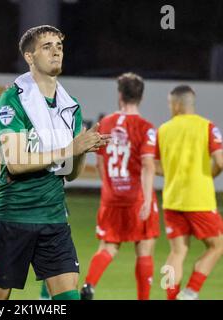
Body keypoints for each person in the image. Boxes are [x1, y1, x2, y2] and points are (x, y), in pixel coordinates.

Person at [0, 25, 110, 300]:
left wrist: (81, 149)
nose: (56, 51)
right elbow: (14, 163)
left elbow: (72, 174)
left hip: (53, 218)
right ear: (29, 56)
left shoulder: (69, 105)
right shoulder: (13, 99)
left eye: (59, 46)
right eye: (47, 46)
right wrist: (68, 148)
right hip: (14, 217)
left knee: (67, 296)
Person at [79, 73, 160, 300]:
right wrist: (145, 199)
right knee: (144, 249)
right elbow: (147, 165)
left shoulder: (106, 123)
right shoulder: (146, 128)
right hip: (137, 198)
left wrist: (108, 188)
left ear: (120, 95)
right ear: (141, 97)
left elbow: (101, 162)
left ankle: (89, 285)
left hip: (112, 197)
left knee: (108, 247)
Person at [155, 85, 223, 300]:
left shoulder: (163, 129)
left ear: (175, 104)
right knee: (217, 245)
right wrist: (209, 174)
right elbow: (220, 161)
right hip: (199, 200)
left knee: (177, 252)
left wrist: (173, 173)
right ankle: (190, 292)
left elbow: (155, 166)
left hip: (172, 200)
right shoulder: (207, 127)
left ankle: (171, 296)